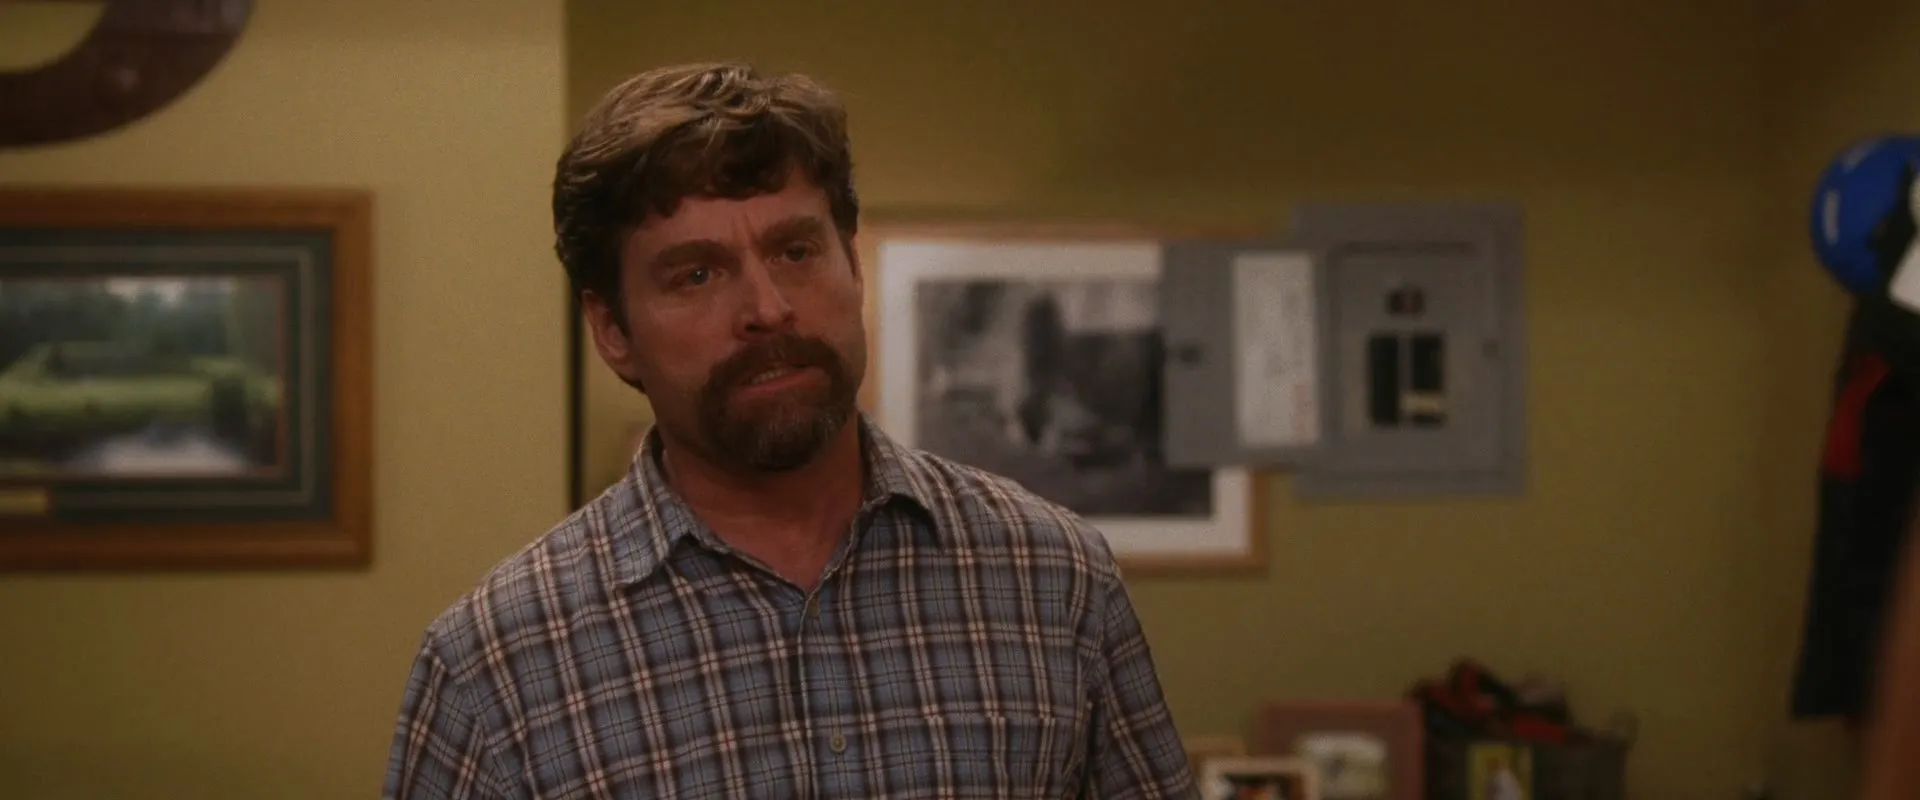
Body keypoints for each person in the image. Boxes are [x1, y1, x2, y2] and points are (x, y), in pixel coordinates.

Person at [380, 61, 1195, 799]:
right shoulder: (496, 669)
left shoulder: (1055, 578)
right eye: (697, 274)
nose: (767, 309)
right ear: (613, 331)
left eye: (796, 252)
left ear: (853, 266)